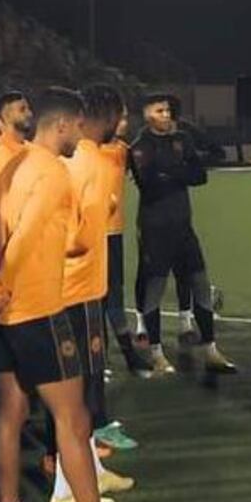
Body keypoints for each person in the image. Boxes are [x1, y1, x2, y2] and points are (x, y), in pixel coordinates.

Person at [0, 87, 153, 502]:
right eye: (75, 127)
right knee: (74, 420)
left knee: (10, 414)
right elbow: (28, 234)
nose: (78, 137)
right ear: (63, 126)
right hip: (38, 310)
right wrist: (1, 289)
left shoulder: (13, 164)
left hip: (8, 316)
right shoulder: (51, 172)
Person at [46, 84, 138, 502]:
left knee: (82, 390)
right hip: (76, 289)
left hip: (76, 288)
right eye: (120, 116)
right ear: (108, 116)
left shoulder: (72, 160)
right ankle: (64, 488)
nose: (123, 124)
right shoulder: (92, 164)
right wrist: (94, 224)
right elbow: (71, 236)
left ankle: (91, 472)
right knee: (75, 393)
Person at [129, 94, 234, 375]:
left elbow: (200, 176)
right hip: (155, 229)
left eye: (168, 110)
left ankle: (211, 350)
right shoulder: (139, 147)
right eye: (159, 110)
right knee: (155, 289)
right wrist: (180, 171)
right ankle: (157, 354)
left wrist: (169, 172)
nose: (166, 115)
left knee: (200, 283)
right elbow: (148, 185)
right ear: (147, 113)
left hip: (184, 227)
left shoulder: (183, 140)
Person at [102, 111, 152, 377]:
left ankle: (129, 356)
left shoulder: (123, 150)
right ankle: (99, 360)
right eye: (119, 117)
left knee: (114, 294)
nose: (124, 122)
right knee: (94, 299)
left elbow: (145, 180)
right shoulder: (84, 151)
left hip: (114, 233)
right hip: (90, 233)